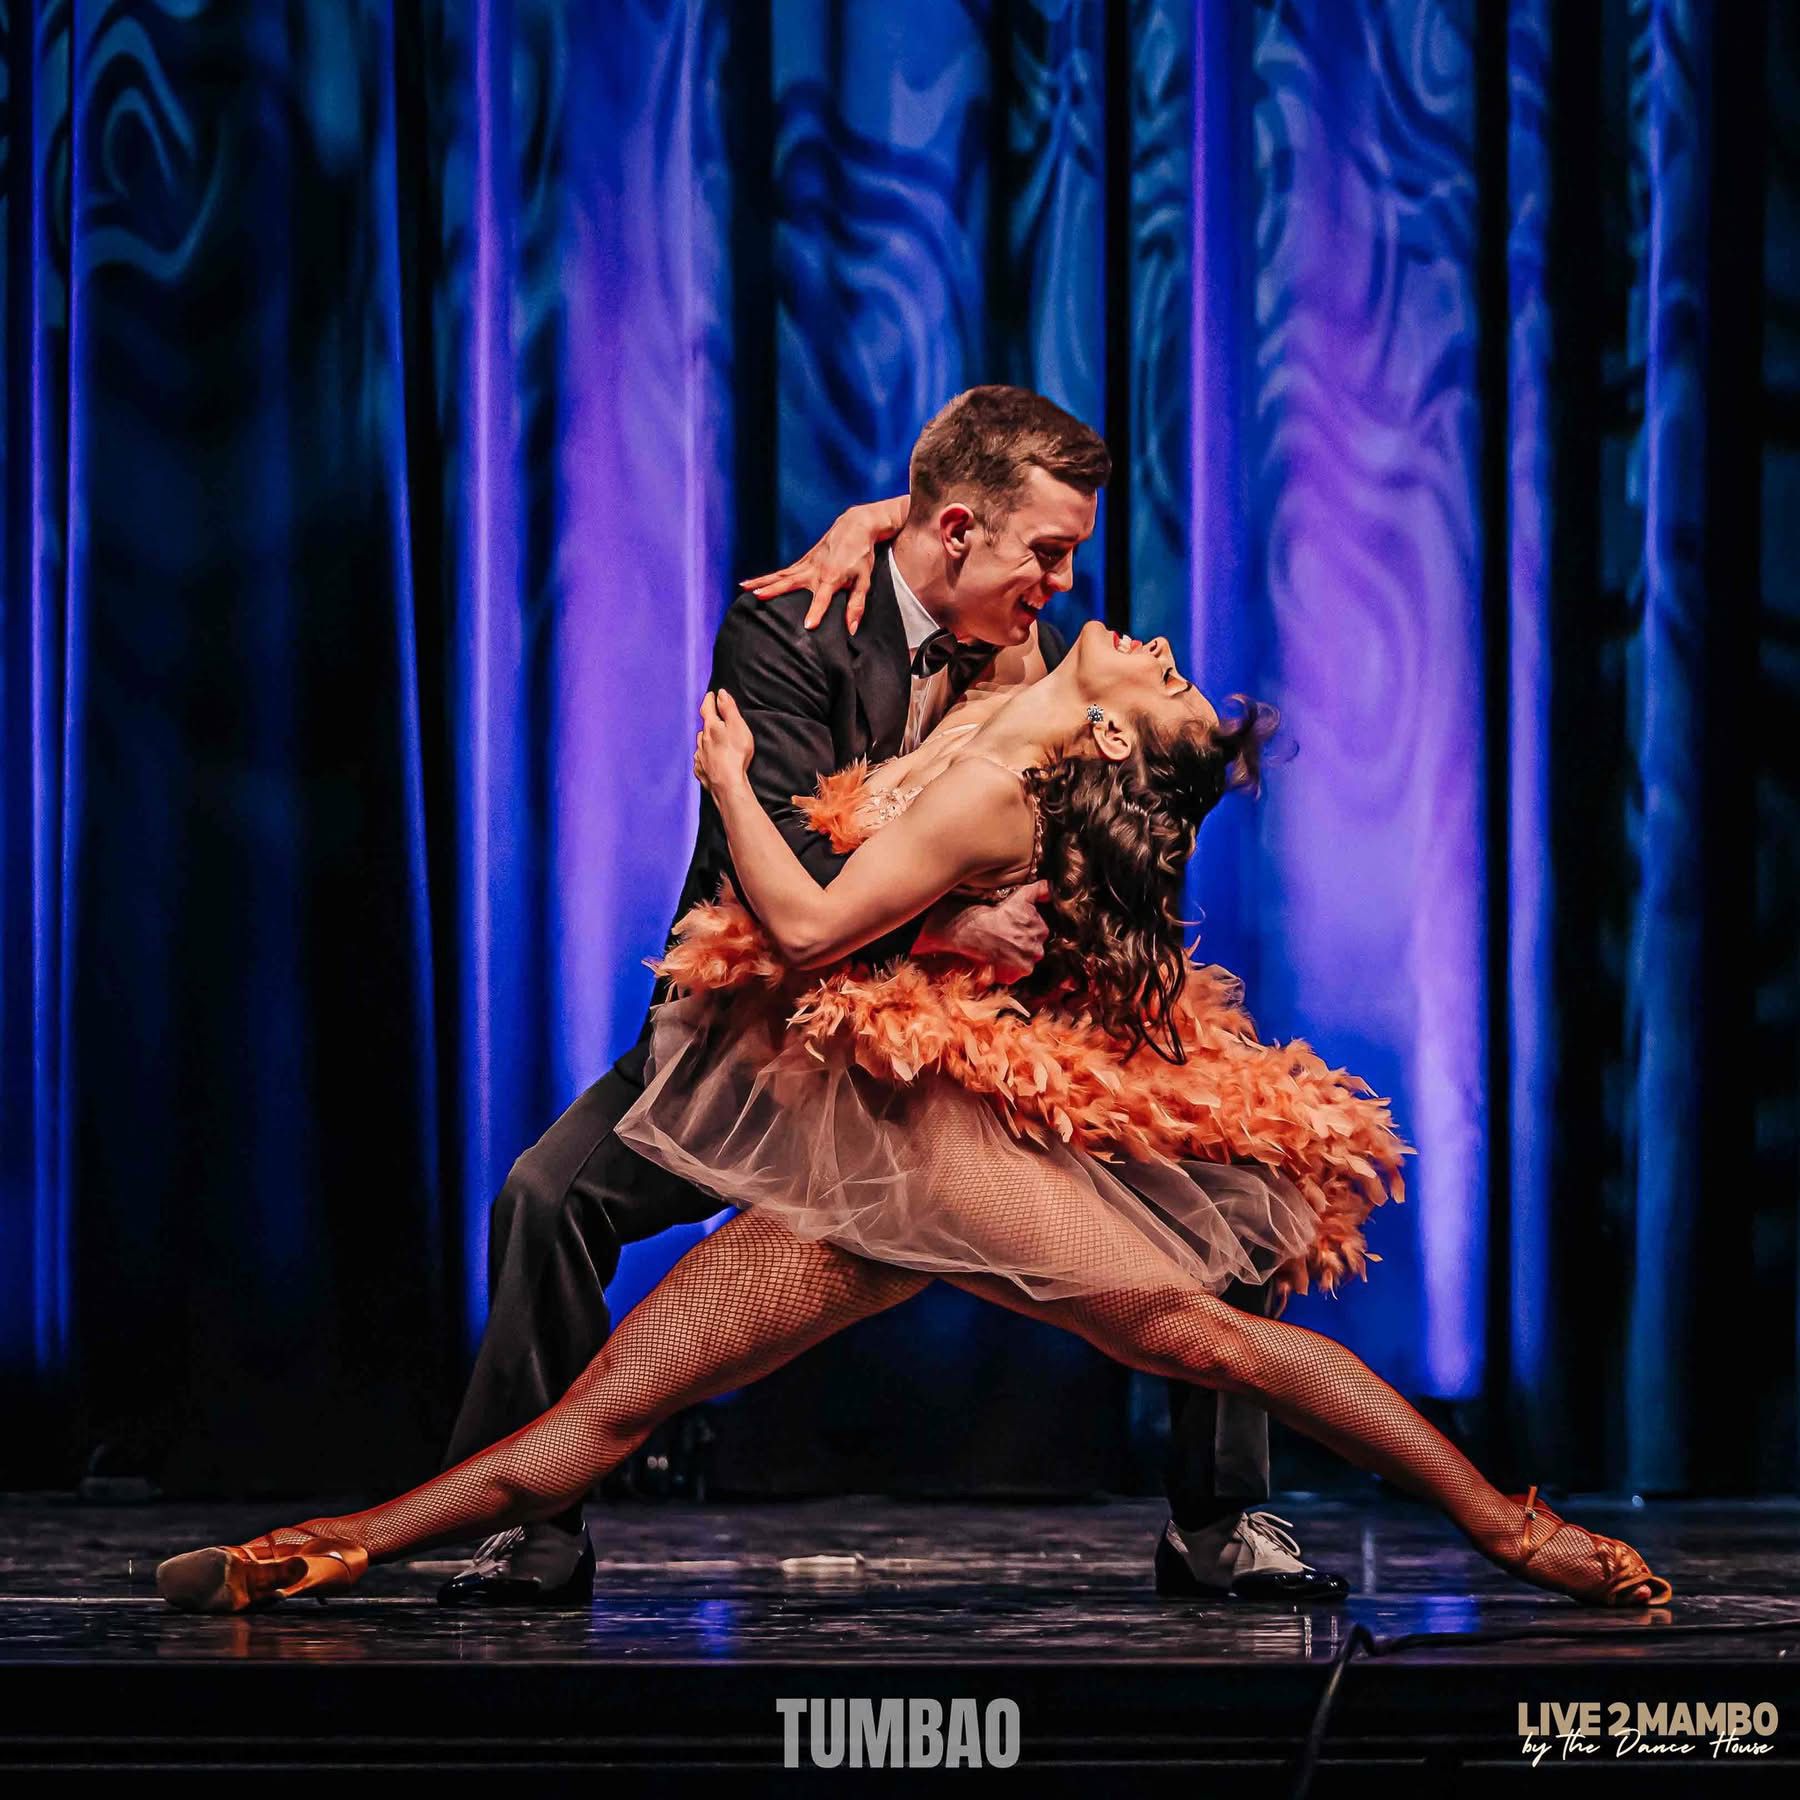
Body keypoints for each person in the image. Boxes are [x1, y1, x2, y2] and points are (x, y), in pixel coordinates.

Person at [156, 617, 1671, 1614]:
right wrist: (864, 530)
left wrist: (731, 782)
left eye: (1167, 683)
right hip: (857, 1163)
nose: (1157, 645)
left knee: (1208, 1339)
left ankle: (1506, 1525)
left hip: (941, 1159)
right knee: (609, 1407)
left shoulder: (1009, 792)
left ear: (1115, 742)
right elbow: (969, 525)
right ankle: (317, 1553)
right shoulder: (1021, 695)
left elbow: (815, 927)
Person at [428, 386, 1096, 1607]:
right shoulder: (790, 631)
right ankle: (527, 1522)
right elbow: (796, 877)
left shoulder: (1019, 638)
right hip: (763, 1035)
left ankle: (1222, 1523)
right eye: (1047, 554)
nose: (1060, 583)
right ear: (958, 531)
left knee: (1220, 1171)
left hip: (938, 1059)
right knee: (545, 1199)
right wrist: (955, 922)